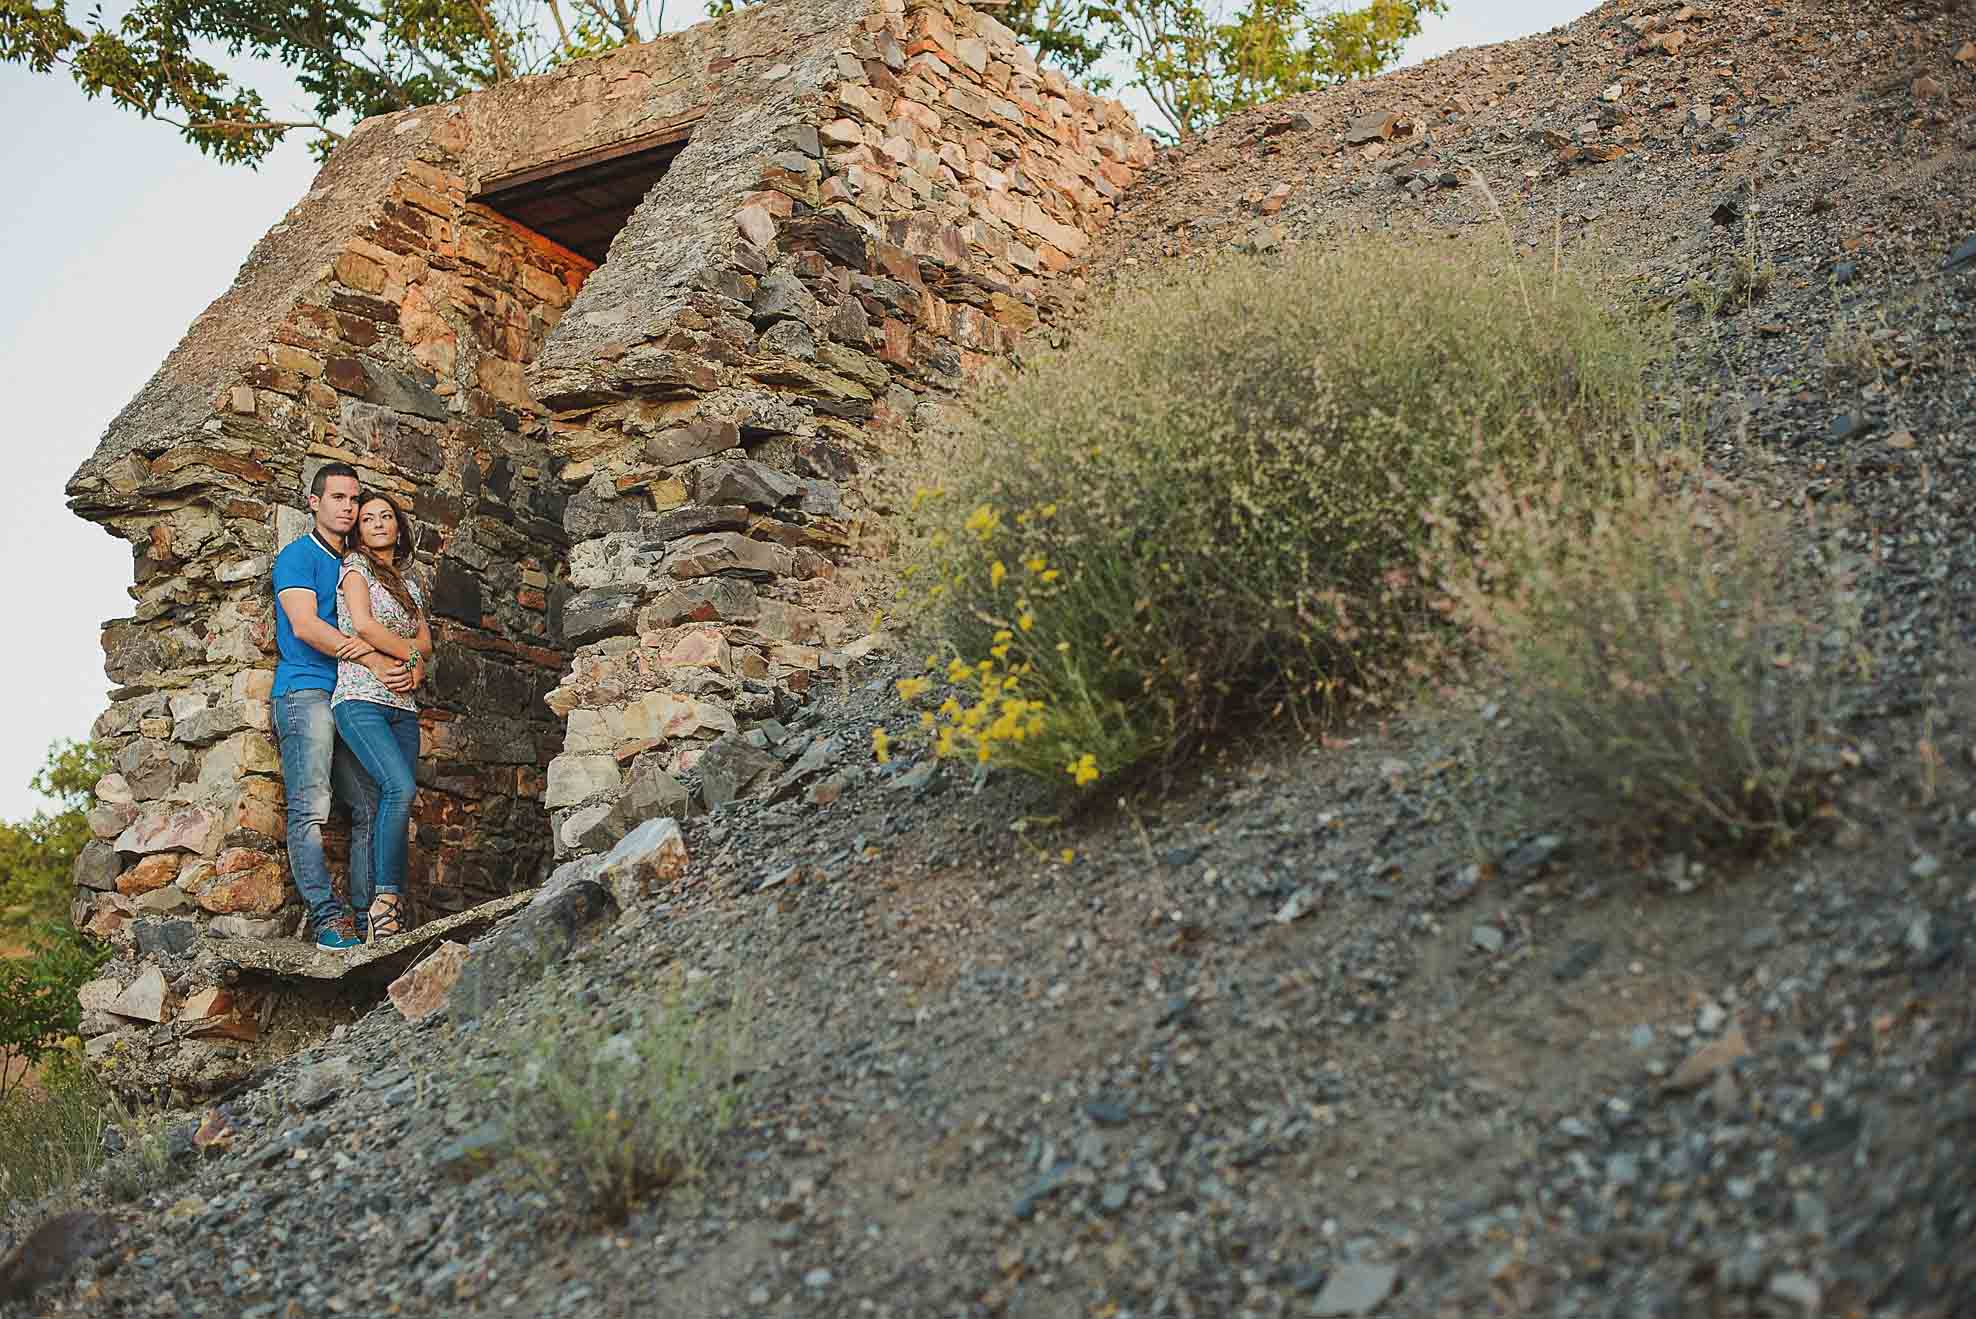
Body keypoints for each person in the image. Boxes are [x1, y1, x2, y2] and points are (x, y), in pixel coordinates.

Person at [272, 464, 415, 951]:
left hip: (351, 695)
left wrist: (409, 663)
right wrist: (376, 659)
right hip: (306, 692)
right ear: (314, 503)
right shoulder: (297, 557)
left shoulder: (360, 565)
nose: (348, 507)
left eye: (353, 499)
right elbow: (306, 626)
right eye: (337, 497)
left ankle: (366, 916)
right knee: (311, 808)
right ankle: (326, 920)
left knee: (371, 803)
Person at [331, 491, 433, 944]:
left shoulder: (409, 585)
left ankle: (376, 913)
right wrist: (410, 654)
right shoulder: (355, 568)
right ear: (358, 529)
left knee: (388, 803)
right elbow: (365, 624)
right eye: (367, 517)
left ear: (398, 527)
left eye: (385, 516)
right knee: (399, 788)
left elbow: (426, 642)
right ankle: (385, 902)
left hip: (402, 708)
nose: (376, 523)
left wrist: (417, 661)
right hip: (360, 699)